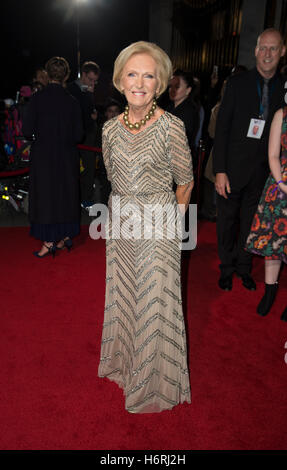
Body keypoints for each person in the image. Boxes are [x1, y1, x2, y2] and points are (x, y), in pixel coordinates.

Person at [98, 41, 194, 413]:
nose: (139, 82)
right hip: (121, 221)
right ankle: (125, 365)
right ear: (121, 80)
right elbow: (113, 178)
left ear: (160, 84)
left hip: (158, 223)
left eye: (149, 75)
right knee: (124, 297)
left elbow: (184, 182)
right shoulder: (108, 130)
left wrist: (171, 229)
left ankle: (154, 384)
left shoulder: (171, 127)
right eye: (132, 74)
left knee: (154, 302)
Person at [213, 28, 286, 292]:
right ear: (256, 51)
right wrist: (220, 170)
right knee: (226, 222)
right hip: (232, 169)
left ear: (282, 52)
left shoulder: (284, 88)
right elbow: (221, 129)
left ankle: (243, 268)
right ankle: (226, 268)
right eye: (263, 48)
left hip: (266, 172)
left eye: (273, 49)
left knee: (250, 222)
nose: (267, 54)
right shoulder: (237, 83)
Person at [23, 56, 83, 257]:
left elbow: (26, 130)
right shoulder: (73, 102)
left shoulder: (37, 99)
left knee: (46, 197)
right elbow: (78, 134)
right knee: (64, 195)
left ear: (47, 75)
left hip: (43, 156)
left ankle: (48, 242)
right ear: (66, 75)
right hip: (66, 156)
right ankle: (63, 237)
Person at [246, 107, 287, 320]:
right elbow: (272, 154)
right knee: (273, 244)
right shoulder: (282, 114)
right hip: (280, 187)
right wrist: (281, 182)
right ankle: (269, 292)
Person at [67, 61, 100, 209]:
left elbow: (90, 110)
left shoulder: (88, 91)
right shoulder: (70, 89)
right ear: (83, 74)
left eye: (95, 80)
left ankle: (85, 199)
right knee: (71, 167)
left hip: (88, 134)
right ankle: (71, 199)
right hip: (73, 134)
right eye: (90, 79)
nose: (93, 83)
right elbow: (77, 111)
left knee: (89, 168)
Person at [167, 69, 199, 159]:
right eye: (170, 86)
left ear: (188, 90)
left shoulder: (189, 111)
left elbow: (181, 141)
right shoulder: (170, 107)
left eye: (177, 87)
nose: (172, 90)